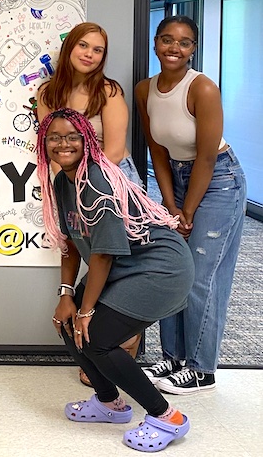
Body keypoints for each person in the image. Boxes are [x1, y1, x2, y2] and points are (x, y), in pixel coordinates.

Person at [38, 108, 194, 453]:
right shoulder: (63, 181)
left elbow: (104, 254)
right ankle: (108, 403)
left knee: (97, 338)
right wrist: (68, 296)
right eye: (54, 137)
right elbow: (71, 243)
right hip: (124, 266)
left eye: (72, 136)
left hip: (160, 268)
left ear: (87, 140)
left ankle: (167, 416)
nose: (63, 144)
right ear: (44, 142)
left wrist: (87, 309)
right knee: (67, 323)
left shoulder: (97, 181)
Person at [135, 15, 247, 394]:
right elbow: (157, 152)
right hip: (176, 181)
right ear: (155, 43)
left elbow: (206, 158)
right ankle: (173, 358)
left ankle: (202, 369)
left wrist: (189, 210)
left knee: (201, 277)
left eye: (183, 43)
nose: (174, 48)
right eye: (167, 40)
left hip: (217, 183)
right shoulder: (144, 89)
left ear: (193, 49)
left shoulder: (202, 89)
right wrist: (169, 205)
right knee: (173, 271)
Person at [36, 21, 143, 386]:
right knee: (83, 253)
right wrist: (69, 181)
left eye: (97, 50)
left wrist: (88, 182)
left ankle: (123, 342)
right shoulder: (49, 93)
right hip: (71, 180)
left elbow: (112, 148)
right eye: (84, 46)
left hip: (113, 181)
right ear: (70, 49)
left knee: (119, 262)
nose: (90, 54)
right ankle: (96, 346)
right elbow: (52, 145)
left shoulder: (109, 91)